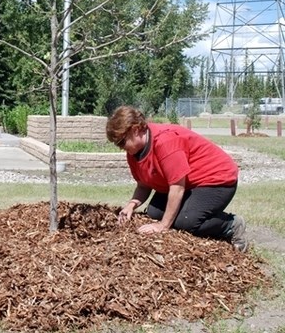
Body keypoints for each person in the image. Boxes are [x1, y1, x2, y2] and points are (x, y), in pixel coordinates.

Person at [106, 106, 248, 252]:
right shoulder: (134, 153)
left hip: (216, 179)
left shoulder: (164, 142)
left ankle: (231, 225)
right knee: (154, 213)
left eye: (122, 142)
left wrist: (163, 226)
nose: (120, 147)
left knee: (186, 222)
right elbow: (143, 185)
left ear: (135, 130)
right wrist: (131, 205)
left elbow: (177, 188)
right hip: (188, 182)